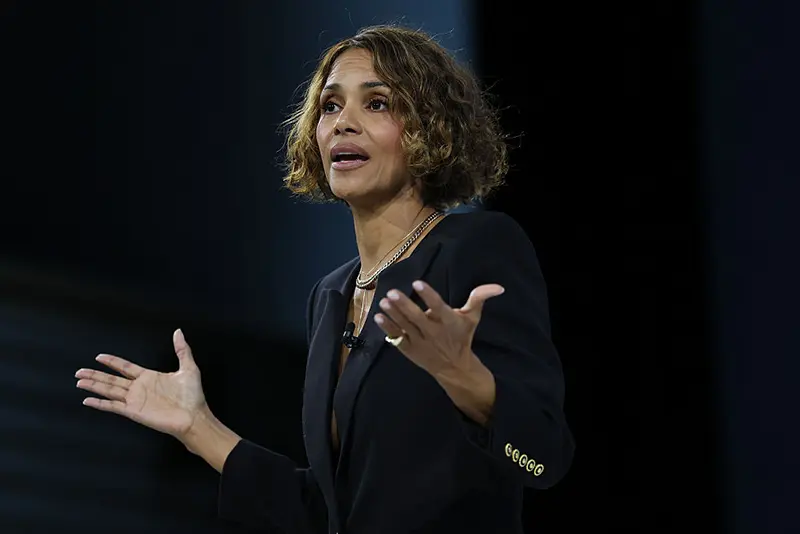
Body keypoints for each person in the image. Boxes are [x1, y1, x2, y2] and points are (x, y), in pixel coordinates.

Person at [74, 25, 574, 534]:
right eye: (330, 106)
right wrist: (198, 429)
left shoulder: (476, 248)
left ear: (431, 128)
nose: (343, 123)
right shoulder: (330, 297)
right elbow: (327, 513)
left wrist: (463, 378)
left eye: (376, 103)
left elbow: (543, 457)